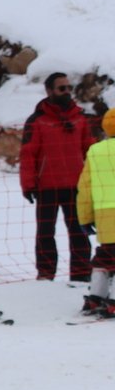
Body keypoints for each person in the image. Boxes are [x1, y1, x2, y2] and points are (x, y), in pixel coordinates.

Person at [17, 71, 95, 283]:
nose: (67, 92)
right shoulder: (37, 120)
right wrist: (28, 184)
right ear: (49, 91)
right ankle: (45, 274)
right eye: (62, 88)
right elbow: (28, 154)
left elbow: (90, 151)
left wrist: (92, 181)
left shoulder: (80, 118)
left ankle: (81, 275)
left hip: (76, 186)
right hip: (46, 187)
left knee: (79, 232)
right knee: (45, 233)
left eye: (69, 88)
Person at [76, 108, 115, 319]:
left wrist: (85, 217)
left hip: (103, 213)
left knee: (106, 254)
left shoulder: (95, 151)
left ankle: (95, 297)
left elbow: (85, 187)